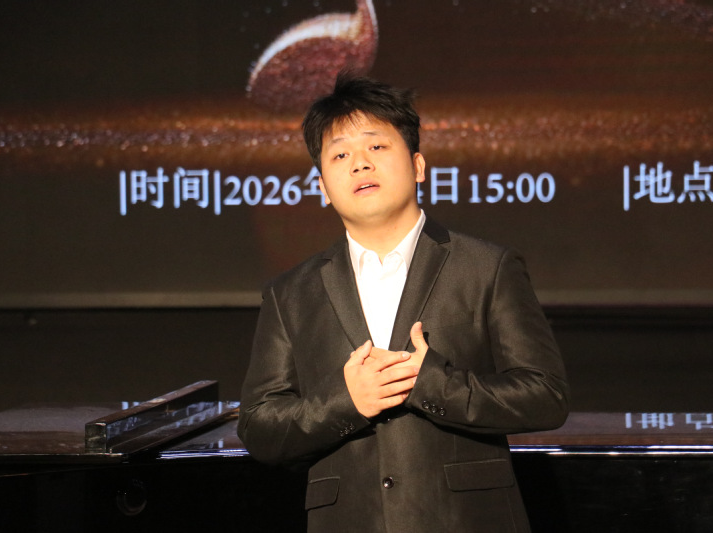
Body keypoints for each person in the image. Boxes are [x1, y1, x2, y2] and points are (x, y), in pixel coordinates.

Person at [237, 75, 569, 533]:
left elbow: (546, 396)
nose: (359, 163)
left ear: (418, 166)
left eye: (376, 146)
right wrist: (347, 401)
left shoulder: (488, 267)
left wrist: (432, 385)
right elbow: (259, 428)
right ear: (322, 186)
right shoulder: (290, 292)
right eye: (340, 155)